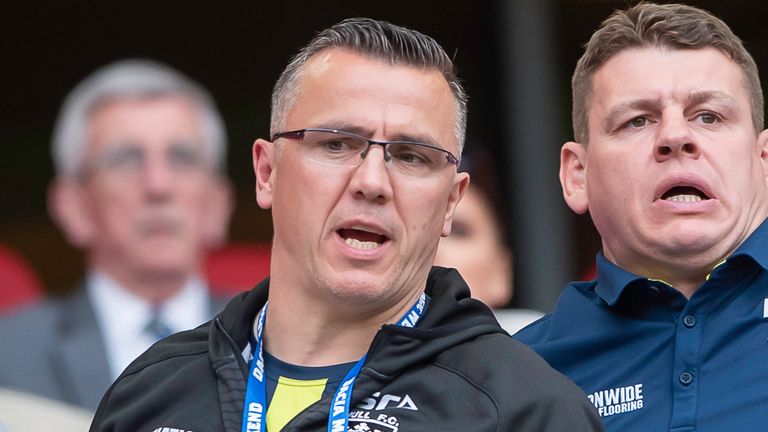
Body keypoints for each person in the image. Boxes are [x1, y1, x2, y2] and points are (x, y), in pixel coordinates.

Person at [90, 18, 603, 432]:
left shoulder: (526, 410)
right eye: (336, 144)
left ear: (450, 202)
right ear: (266, 173)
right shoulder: (150, 390)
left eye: (412, 156)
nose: (372, 181)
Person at [514, 3, 768, 431]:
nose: (675, 136)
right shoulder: (514, 376)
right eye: (637, 121)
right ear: (577, 176)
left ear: (764, 161)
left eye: (708, 116)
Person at [0, 59, 233, 411]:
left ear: (218, 203)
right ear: (72, 207)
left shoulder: (280, 343)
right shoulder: (10, 354)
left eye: (182, 158)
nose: (158, 185)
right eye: (126, 160)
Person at [434, 143, 542, 332]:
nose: (430, 246)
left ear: (502, 272)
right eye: (421, 229)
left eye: (458, 231)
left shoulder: (542, 354)